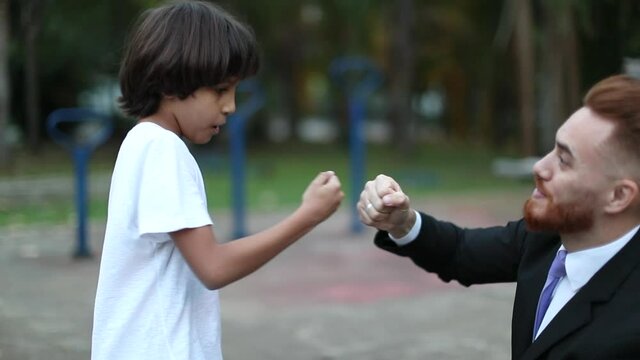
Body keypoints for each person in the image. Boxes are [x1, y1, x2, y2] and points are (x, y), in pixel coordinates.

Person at [91, 2, 344, 359]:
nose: (231, 106)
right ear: (170, 82)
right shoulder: (163, 151)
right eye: (221, 90)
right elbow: (213, 266)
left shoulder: (141, 143)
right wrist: (307, 216)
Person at [357, 74, 640, 359]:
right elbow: (459, 251)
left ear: (618, 196)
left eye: (564, 160)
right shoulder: (548, 238)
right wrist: (402, 223)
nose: (540, 167)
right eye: (552, 149)